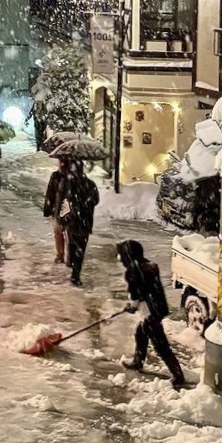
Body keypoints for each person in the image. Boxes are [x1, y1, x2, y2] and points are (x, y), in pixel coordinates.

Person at [116, 239, 186, 390]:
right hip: (158, 308)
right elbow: (146, 289)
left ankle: (178, 376)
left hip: (150, 313)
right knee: (140, 333)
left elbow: (136, 295)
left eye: (121, 255)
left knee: (161, 346)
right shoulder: (150, 265)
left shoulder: (133, 271)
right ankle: (138, 361)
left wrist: (132, 306)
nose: (120, 258)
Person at [64, 160, 99, 286]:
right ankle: (75, 273)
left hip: (73, 222)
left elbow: (66, 202)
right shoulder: (91, 184)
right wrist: (85, 205)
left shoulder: (71, 185)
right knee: (80, 249)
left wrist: (65, 217)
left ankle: (73, 265)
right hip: (85, 222)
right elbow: (95, 200)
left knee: (73, 246)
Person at [42, 156, 71, 265]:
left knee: (60, 234)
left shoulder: (57, 176)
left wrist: (48, 209)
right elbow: (50, 193)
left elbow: (50, 194)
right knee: (66, 234)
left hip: (60, 209)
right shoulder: (72, 176)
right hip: (65, 210)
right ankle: (66, 256)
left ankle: (61, 255)